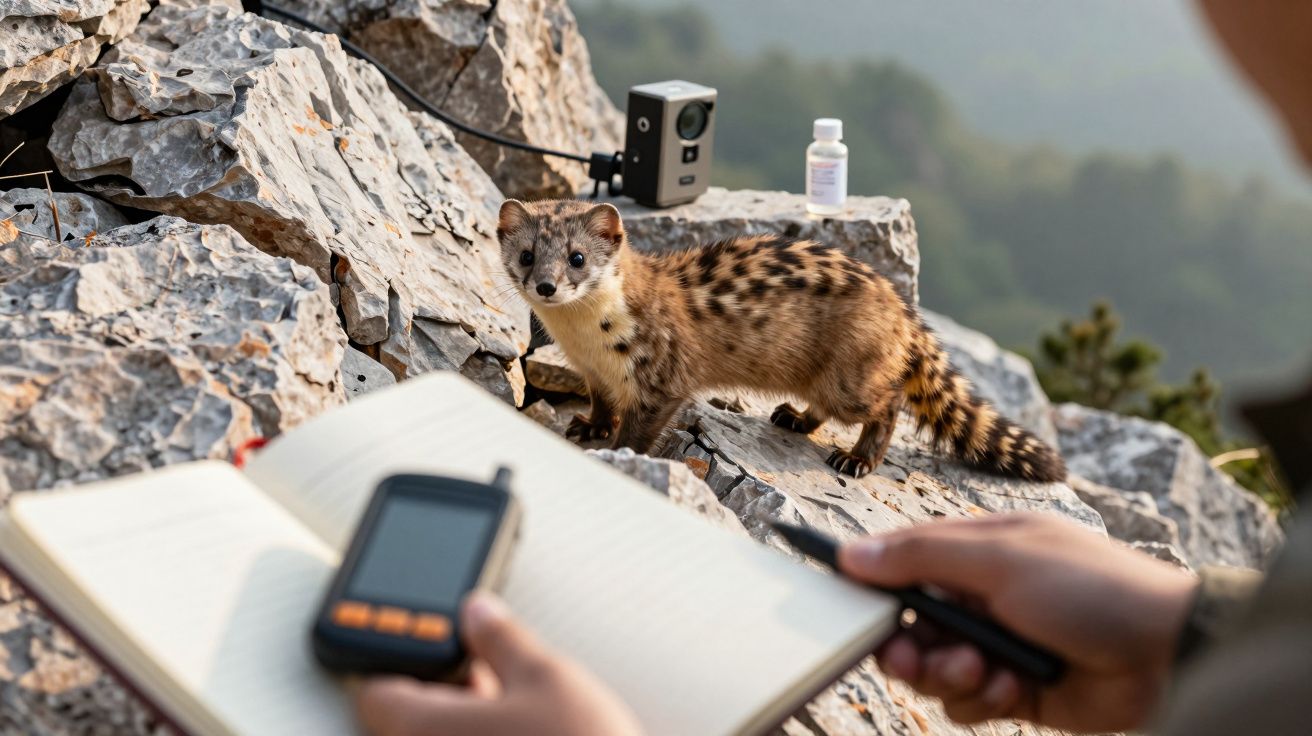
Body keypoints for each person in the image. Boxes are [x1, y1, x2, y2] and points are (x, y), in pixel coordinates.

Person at [354, 2, 1312, 734]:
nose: (548, 281)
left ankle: (881, 423)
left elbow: (665, 392)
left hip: (840, 334)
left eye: (570, 265)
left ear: (609, 250)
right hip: (1153, 635)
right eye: (529, 265)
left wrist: (633, 440)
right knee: (619, 391)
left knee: (846, 392)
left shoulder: (638, 309)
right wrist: (1178, 635)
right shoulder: (581, 302)